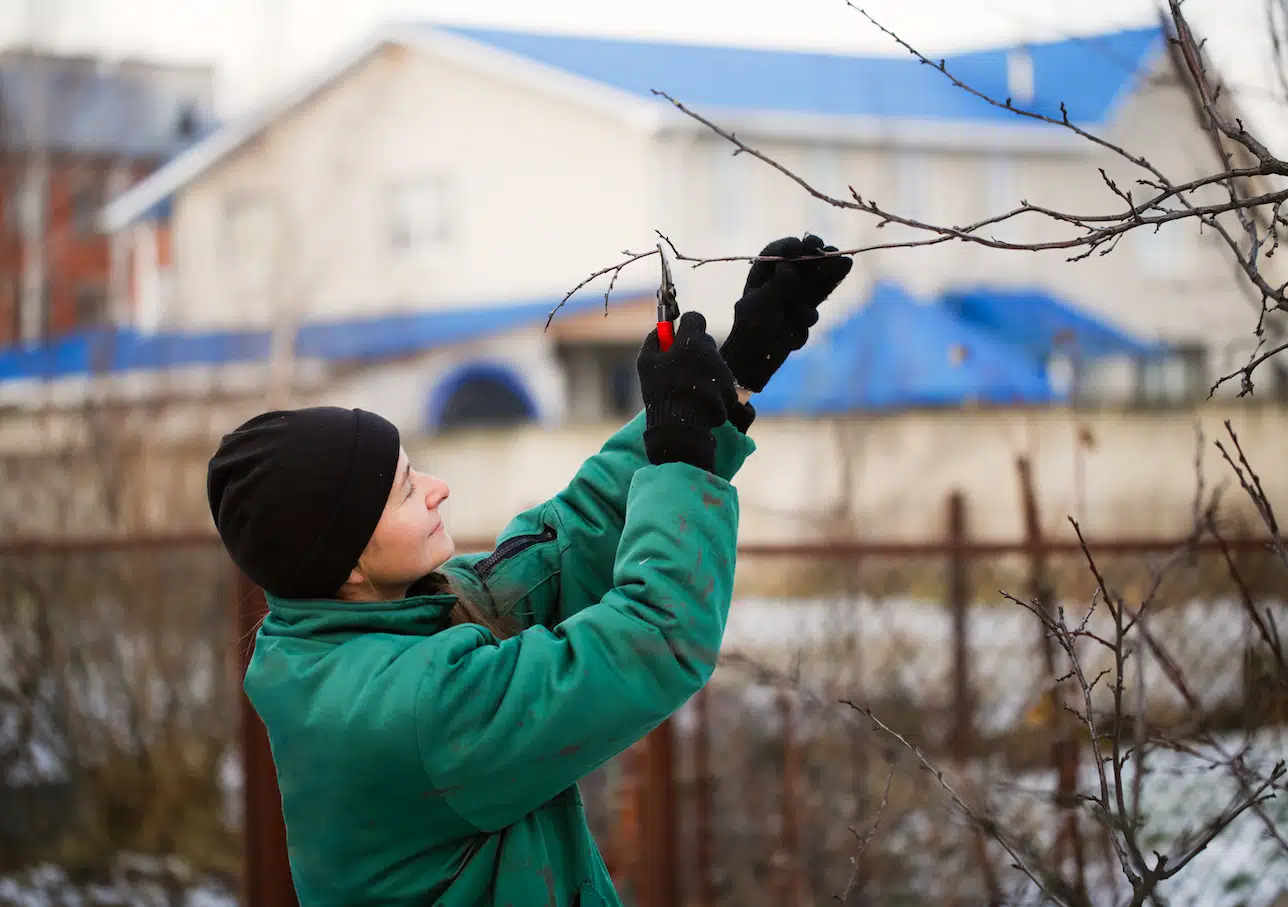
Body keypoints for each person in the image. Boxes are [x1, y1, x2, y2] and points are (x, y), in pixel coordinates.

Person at [206, 235, 852, 907]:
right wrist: (681, 461)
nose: (438, 487)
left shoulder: (361, 630)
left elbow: (570, 542)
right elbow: (656, 638)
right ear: (344, 564)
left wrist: (727, 376)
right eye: (403, 490)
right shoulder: (419, 711)